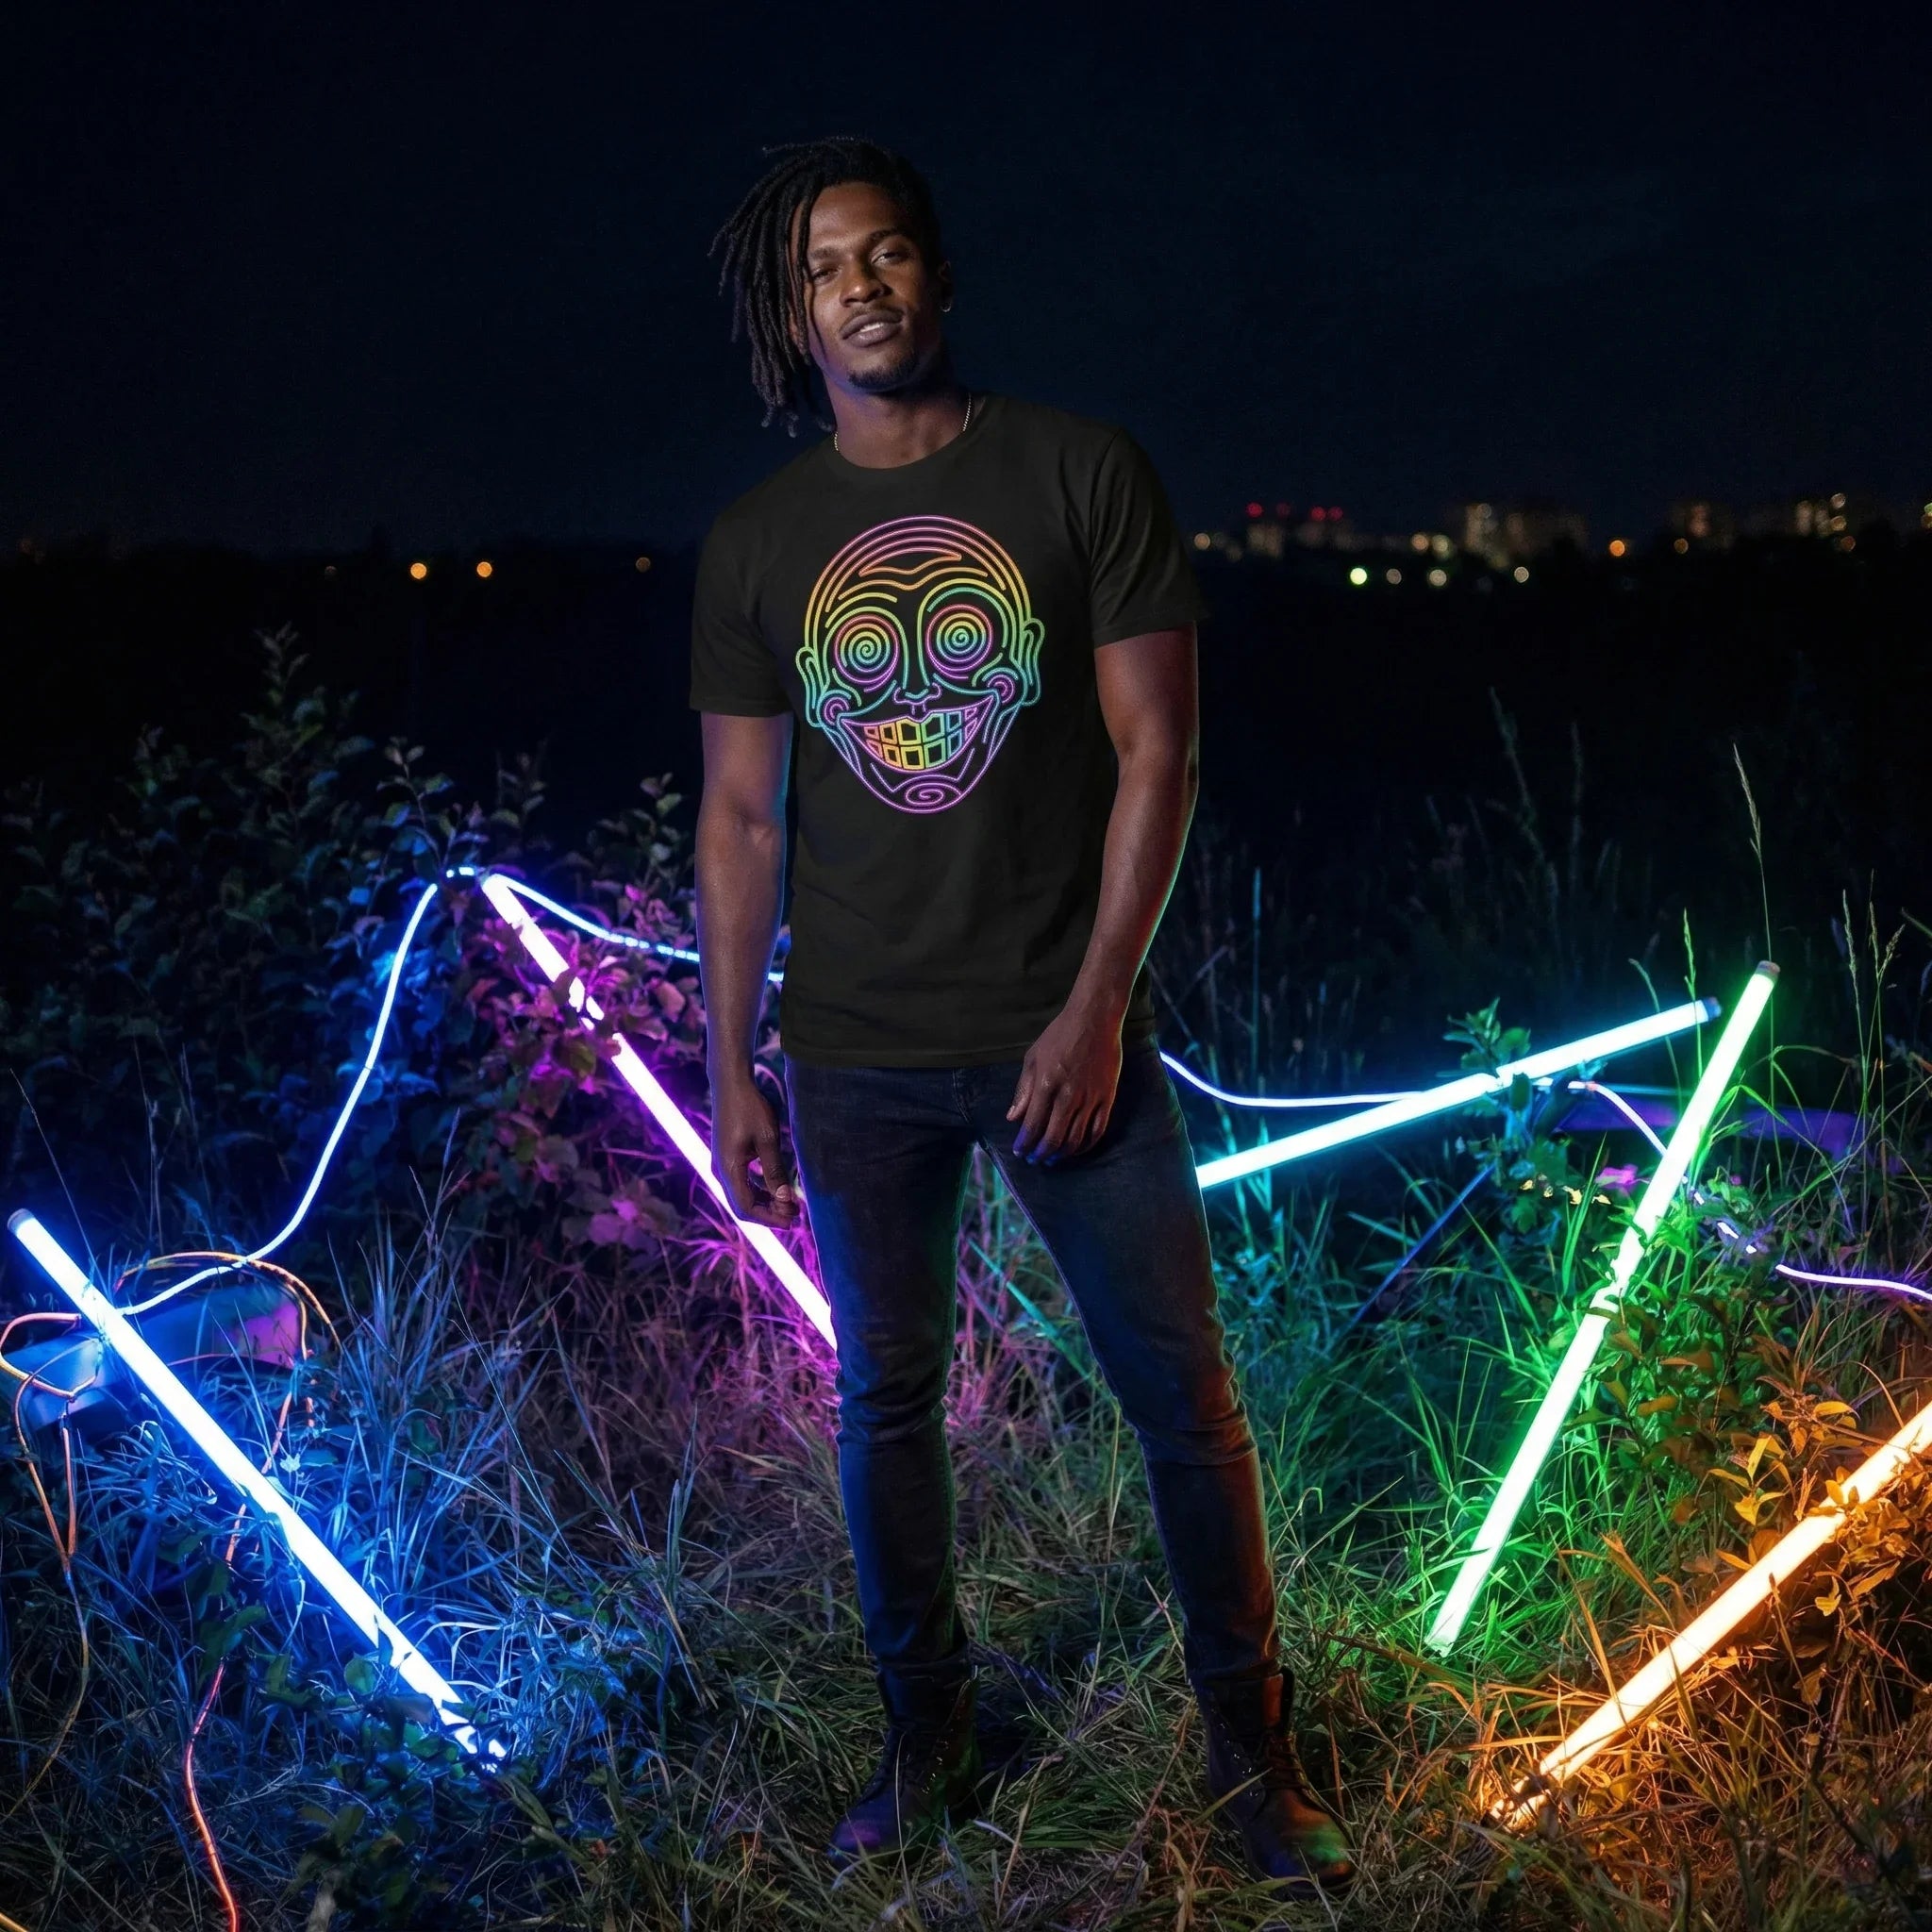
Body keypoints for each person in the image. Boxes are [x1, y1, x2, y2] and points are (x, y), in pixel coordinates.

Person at [689, 137, 1351, 1893]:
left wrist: (1098, 1006)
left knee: (1185, 1405)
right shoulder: (757, 548)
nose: (864, 283)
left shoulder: (1078, 473)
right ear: (793, 309)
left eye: (891, 251)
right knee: (885, 1408)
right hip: (852, 1056)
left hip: (1074, 1044)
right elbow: (742, 822)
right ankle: (931, 1756)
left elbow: (1160, 750)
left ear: (940, 276)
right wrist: (730, 1065)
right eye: (827, 264)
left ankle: (1250, 1761)